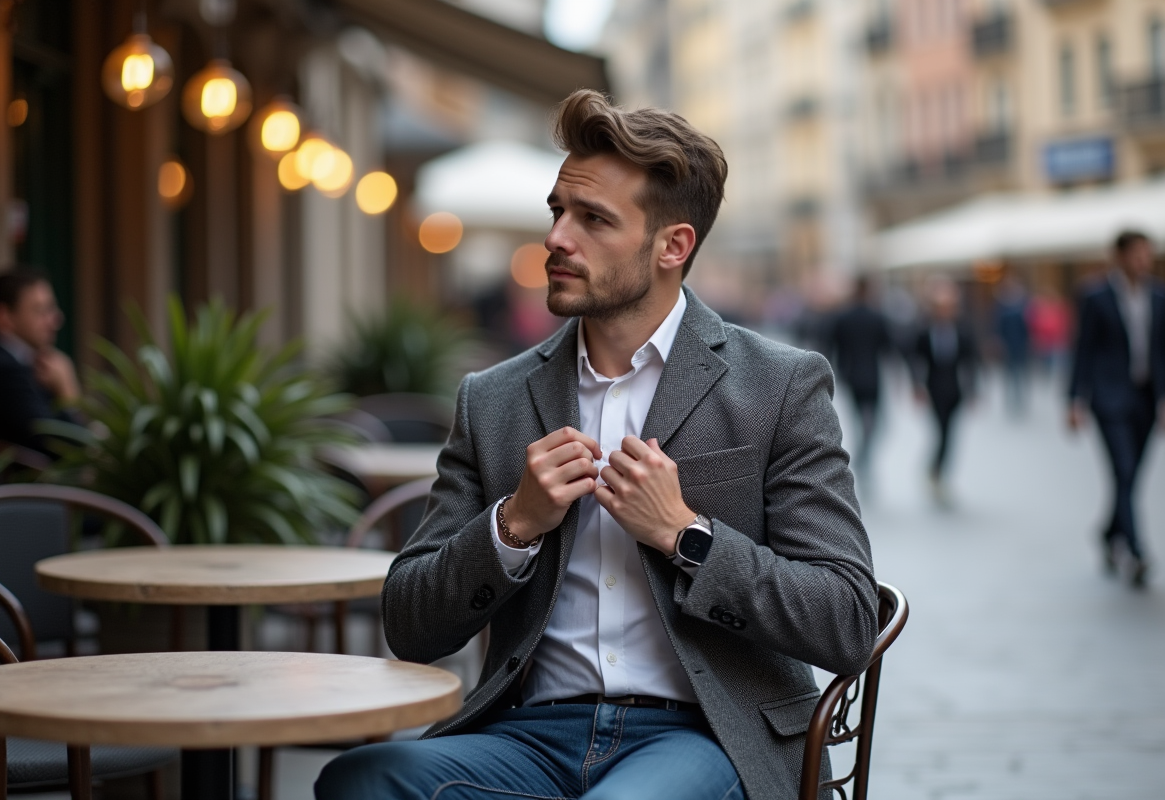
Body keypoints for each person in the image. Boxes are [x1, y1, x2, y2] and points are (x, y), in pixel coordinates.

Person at [316, 91, 877, 800]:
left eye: (593, 219)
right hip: (528, 735)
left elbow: (849, 618)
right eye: (558, 212)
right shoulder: (491, 400)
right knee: (363, 780)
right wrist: (511, 526)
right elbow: (410, 622)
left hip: (706, 737)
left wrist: (687, 537)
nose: (556, 238)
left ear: (673, 246)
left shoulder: (779, 387)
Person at [1068, 231, 1165, 588]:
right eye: (1138, 254)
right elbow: (1083, 349)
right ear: (1120, 256)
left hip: (1144, 399)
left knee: (1131, 475)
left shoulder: (1158, 295)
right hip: (1109, 398)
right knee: (1123, 470)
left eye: (1147, 254)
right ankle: (1136, 550)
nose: (1144, 261)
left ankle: (1109, 533)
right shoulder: (1096, 296)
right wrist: (1073, 400)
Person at [0, 269, 80, 454]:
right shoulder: (0, 369)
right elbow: (62, 445)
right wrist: (68, 394)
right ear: (4, 316)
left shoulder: (6, 360)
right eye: (42, 310)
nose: (56, 319)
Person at [909, 280, 977, 506]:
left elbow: (970, 362)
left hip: (955, 390)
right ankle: (936, 471)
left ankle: (938, 473)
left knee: (950, 434)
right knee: (941, 432)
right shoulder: (924, 331)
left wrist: (974, 390)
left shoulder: (962, 330)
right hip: (934, 390)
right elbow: (915, 360)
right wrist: (916, 386)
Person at [827, 275, 892, 485]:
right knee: (875, 424)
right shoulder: (877, 316)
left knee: (860, 421)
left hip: (852, 376)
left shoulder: (843, 317)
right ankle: (864, 455)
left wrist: (836, 371)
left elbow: (831, 347)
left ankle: (863, 456)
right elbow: (889, 348)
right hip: (873, 377)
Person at [993, 276, 1031, 416]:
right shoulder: (1002, 306)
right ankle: (1011, 400)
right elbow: (998, 327)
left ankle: (1020, 400)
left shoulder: (1021, 305)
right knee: (1010, 374)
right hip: (1008, 346)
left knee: (1020, 374)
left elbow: (1027, 327)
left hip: (1020, 345)